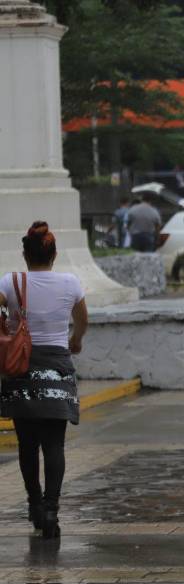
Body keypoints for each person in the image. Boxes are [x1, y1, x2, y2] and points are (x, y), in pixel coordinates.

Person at [0, 222, 89, 539]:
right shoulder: (70, 283)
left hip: (21, 368)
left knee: (27, 444)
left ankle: (34, 505)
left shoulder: (11, 281)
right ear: (55, 254)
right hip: (57, 369)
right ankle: (51, 510)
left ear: (25, 254)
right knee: (54, 444)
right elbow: (82, 320)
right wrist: (75, 341)